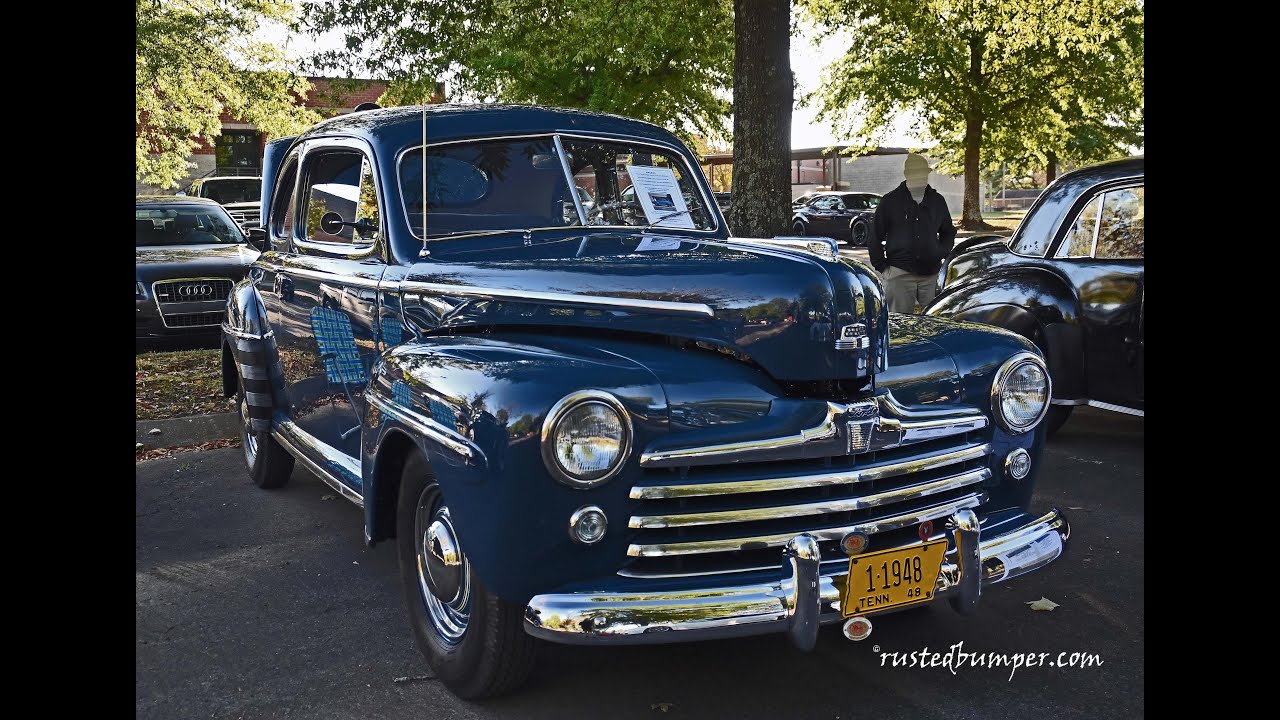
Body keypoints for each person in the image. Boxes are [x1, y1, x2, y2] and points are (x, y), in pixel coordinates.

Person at [870, 154, 957, 313]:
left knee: (935, 325)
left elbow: (948, 232)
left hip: (932, 276)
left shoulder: (937, 201)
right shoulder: (890, 201)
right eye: (916, 173)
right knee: (900, 327)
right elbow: (875, 236)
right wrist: (883, 268)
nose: (920, 177)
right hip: (898, 275)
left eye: (923, 172)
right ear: (907, 174)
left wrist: (941, 253)